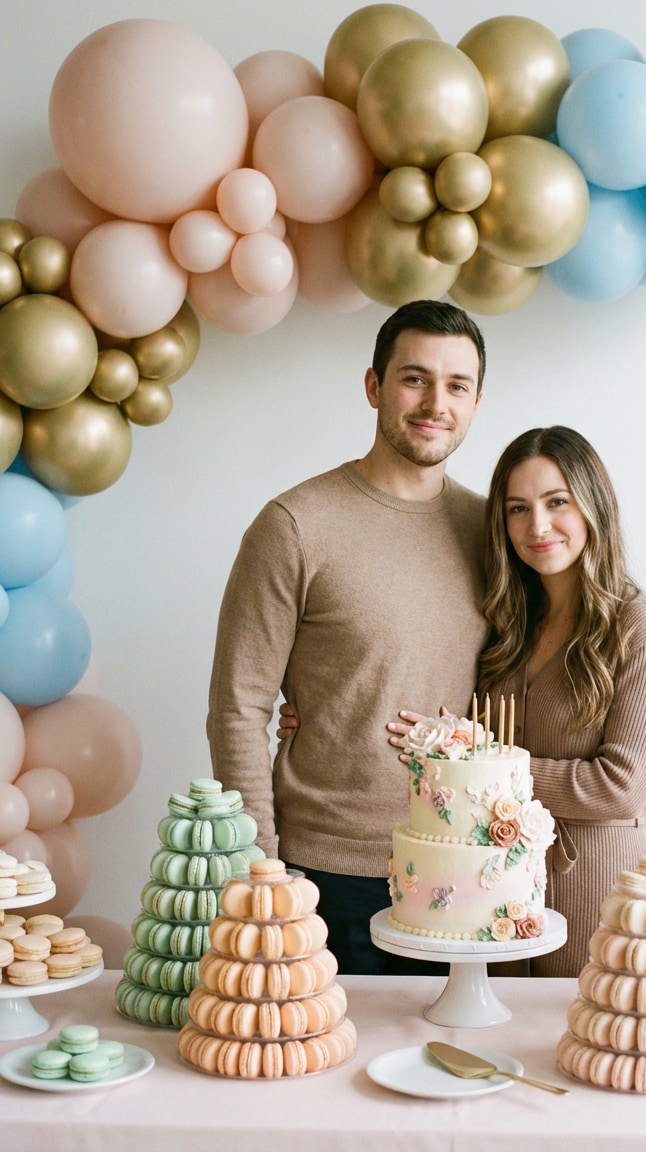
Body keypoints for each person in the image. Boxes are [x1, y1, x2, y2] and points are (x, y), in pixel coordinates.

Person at [282, 426, 646, 979]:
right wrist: (321, 710)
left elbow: (621, 786)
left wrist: (478, 773)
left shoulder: (641, 628)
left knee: (572, 1025)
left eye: (557, 502)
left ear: (595, 506)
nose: (537, 526)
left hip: (591, 882)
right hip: (489, 887)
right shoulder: (510, 622)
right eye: (518, 509)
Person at [207, 299, 489, 975]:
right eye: (415, 379)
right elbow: (238, 708)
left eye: (457, 385)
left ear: (476, 403)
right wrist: (263, 867)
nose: (436, 404)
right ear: (374, 386)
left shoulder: (493, 532)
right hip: (326, 875)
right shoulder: (295, 525)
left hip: (464, 866)